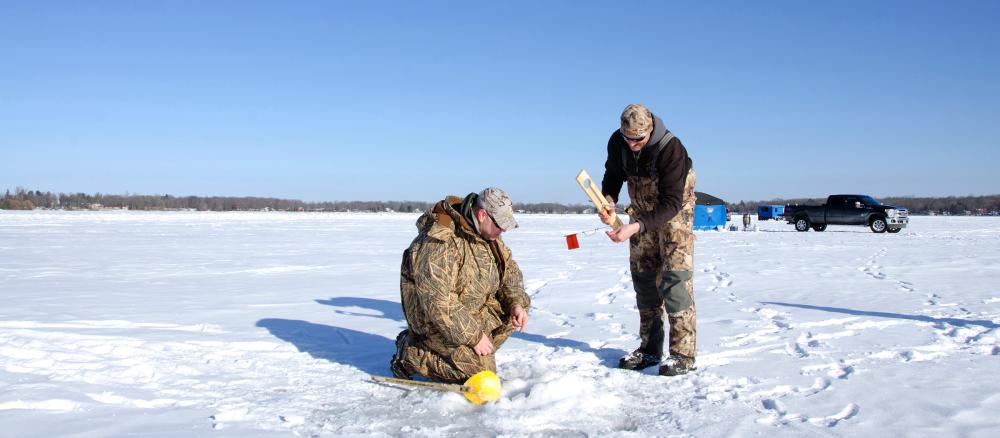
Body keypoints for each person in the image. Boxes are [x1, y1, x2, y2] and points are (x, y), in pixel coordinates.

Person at [390, 187, 530, 383]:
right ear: (482, 215)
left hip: (469, 313)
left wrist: (516, 303)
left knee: (513, 315)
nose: (503, 230)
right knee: (478, 374)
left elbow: (510, 274)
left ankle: (471, 354)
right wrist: (473, 336)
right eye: (500, 225)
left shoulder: (489, 236)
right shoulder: (440, 242)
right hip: (434, 323)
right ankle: (410, 355)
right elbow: (438, 301)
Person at [599, 104, 697, 376]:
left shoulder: (671, 149)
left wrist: (635, 228)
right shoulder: (618, 142)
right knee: (643, 279)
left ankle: (683, 355)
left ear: (650, 130)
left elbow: (672, 202)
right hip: (641, 211)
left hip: (674, 214)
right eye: (627, 138)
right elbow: (613, 174)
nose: (632, 144)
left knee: (675, 280)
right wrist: (608, 200)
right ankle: (650, 349)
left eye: (638, 139)